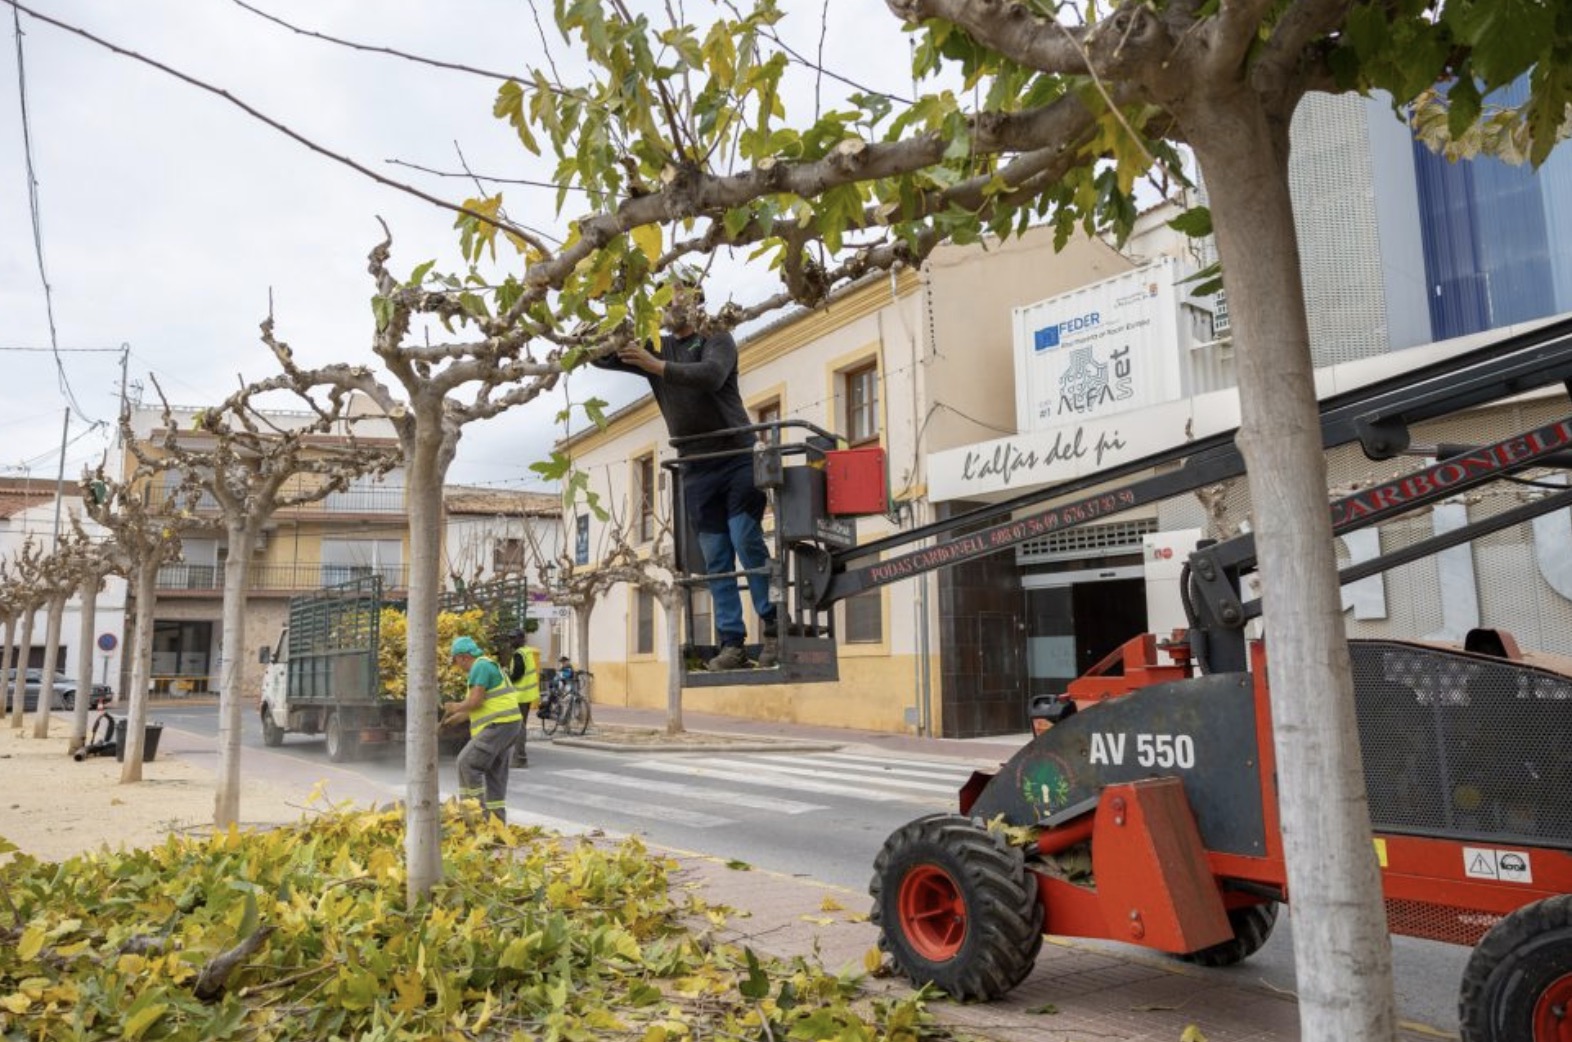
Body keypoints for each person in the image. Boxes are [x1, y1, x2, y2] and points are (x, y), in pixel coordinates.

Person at [595, 273, 778, 670]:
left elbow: (711, 375)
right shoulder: (655, 347)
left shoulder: (716, 337)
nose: (665, 302)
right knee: (715, 557)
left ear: (695, 299)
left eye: (673, 294)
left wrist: (655, 365)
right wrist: (611, 301)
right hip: (696, 467)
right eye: (660, 297)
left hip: (736, 457)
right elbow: (600, 355)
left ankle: (775, 627)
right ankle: (732, 642)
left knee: (745, 539)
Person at [440, 636, 522, 823]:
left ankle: (476, 817)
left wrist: (455, 706)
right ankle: (497, 825)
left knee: (466, 763)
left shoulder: (480, 666)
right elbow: (478, 707)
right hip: (508, 725)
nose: (458, 666)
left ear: (462, 657)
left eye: (457, 661)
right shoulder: (486, 666)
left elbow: (474, 701)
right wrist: (453, 721)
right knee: (495, 774)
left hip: (499, 725)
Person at [505, 631, 541, 767]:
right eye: (510, 638)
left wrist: (507, 676)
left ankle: (520, 758)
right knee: (521, 726)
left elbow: (518, 674)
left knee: (519, 727)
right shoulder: (527, 652)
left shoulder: (519, 654)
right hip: (527, 695)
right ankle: (519, 757)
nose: (511, 641)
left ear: (521, 639)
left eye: (513, 638)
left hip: (520, 696)